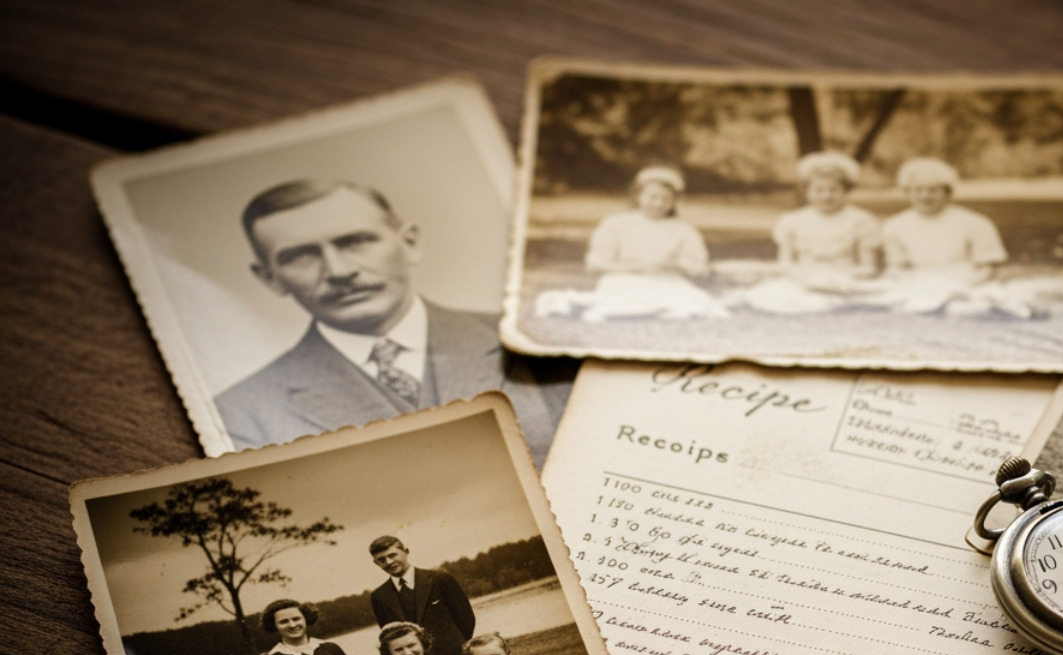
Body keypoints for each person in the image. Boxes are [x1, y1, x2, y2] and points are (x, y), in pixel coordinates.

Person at [215, 179, 555, 456]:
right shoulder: (242, 413)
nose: (339, 270)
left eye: (355, 241)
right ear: (270, 278)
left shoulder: (530, 338)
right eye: (301, 255)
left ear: (409, 243)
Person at [534, 166, 729, 321]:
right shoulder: (616, 224)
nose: (659, 204)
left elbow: (697, 267)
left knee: (697, 302)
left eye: (666, 199)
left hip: (665, 282)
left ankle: (629, 310)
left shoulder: (684, 230)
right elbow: (595, 264)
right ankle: (621, 309)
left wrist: (676, 266)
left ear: (674, 202)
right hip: (623, 280)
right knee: (625, 299)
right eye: (652, 197)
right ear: (638, 197)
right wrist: (636, 267)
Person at [875, 157, 1037, 318]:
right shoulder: (894, 225)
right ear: (907, 193)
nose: (925, 196)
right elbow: (897, 267)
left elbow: (989, 268)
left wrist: (961, 286)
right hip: (918, 282)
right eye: (917, 190)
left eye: (933, 190)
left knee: (970, 309)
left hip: (967, 282)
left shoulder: (976, 223)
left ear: (947, 193)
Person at [734, 151, 882, 314]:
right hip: (803, 280)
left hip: (845, 281)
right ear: (807, 192)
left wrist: (835, 276)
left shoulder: (862, 221)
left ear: (846, 191)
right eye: (819, 190)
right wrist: (809, 276)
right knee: (774, 296)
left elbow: (869, 268)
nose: (826, 196)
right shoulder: (791, 220)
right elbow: (785, 264)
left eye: (833, 190)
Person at [368, 535, 477, 655]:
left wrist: (457, 646)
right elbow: (389, 636)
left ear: (406, 551)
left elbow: (466, 618)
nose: (388, 562)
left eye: (392, 555)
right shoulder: (379, 596)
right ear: (376, 563)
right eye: (381, 560)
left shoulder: (439, 578)